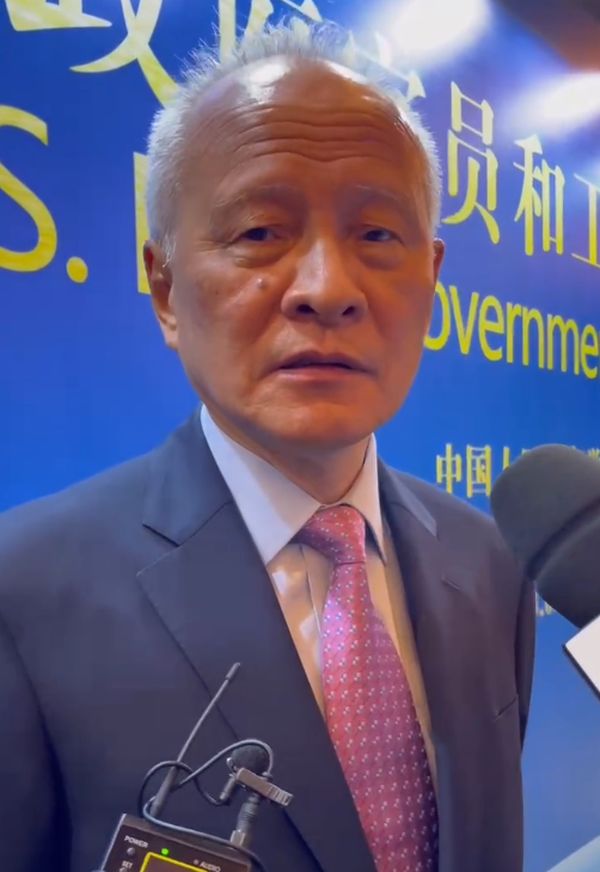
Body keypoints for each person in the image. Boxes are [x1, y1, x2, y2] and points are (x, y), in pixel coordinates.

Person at [0, 22, 535, 872]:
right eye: (259, 232)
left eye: (377, 236)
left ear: (432, 280)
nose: (327, 289)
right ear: (165, 289)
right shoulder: (23, 592)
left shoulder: (490, 563)